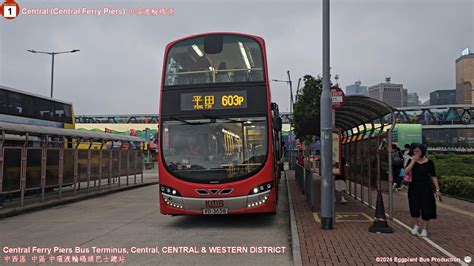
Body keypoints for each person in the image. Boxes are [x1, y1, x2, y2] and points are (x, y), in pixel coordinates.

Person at [405, 143, 441, 238]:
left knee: (427, 208)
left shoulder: (430, 163)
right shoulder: (410, 160)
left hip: (426, 188)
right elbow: (406, 171)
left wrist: (437, 189)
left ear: (422, 151)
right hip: (414, 187)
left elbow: (433, 176)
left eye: (418, 151)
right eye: (414, 151)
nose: (416, 152)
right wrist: (413, 161)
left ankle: (425, 228)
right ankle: (416, 225)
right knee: (414, 207)